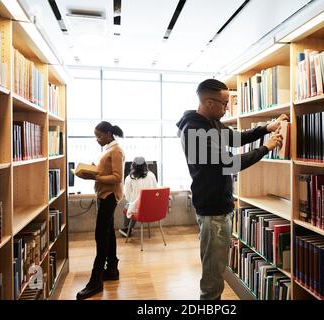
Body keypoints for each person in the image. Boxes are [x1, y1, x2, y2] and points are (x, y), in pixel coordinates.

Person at [176, 79, 288, 300]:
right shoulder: (195, 131)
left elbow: (236, 138)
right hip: (212, 210)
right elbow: (229, 163)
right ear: (209, 102)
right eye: (225, 103)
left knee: (216, 268)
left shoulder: (212, 123)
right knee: (213, 276)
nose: (227, 108)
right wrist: (266, 147)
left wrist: (267, 128)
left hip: (220, 206)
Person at [76, 121, 125, 300]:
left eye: (99, 136)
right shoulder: (108, 150)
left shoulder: (116, 151)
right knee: (108, 234)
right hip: (105, 195)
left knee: (101, 236)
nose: (97, 139)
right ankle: (112, 269)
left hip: (110, 196)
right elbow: (108, 172)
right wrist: (94, 172)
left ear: (108, 134)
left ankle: (95, 281)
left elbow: (118, 177)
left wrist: (95, 176)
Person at [119, 157, 158, 237]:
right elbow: (155, 189)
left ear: (133, 166)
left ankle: (127, 229)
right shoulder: (152, 175)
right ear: (145, 165)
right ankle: (129, 229)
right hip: (152, 208)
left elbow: (128, 198)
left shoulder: (129, 178)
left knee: (129, 206)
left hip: (138, 210)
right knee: (134, 205)